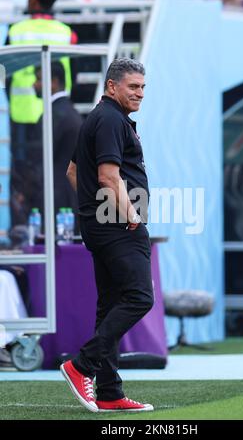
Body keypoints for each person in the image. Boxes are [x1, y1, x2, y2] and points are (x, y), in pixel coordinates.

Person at [61, 58, 154, 413]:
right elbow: (107, 177)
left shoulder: (99, 118)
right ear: (112, 86)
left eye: (143, 87)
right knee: (139, 297)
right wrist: (130, 217)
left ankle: (110, 391)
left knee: (111, 307)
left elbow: (73, 171)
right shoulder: (111, 119)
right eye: (133, 86)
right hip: (118, 228)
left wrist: (91, 210)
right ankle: (80, 365)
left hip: (102, 225)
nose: (140, 93)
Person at [8, 0, 77, 226]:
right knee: (55, 172)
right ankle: (48, 227)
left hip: (23, 113)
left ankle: (22, 230)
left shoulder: (16, 30)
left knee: (22, 176)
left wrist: (13, 99)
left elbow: (6, 73)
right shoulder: (66, 33)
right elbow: (73, 73)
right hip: (56, 113)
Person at [34, 62, 82, 228]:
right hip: (70, 198)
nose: (34, 84)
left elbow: (42, 157)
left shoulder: (54, 115)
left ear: (53, 82)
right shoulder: (71, 112)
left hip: (55, 198)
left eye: (38, 79)